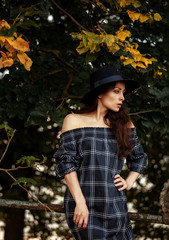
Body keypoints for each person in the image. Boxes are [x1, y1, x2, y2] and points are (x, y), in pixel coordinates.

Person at [53, 66, 148, 240]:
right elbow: (65, 163)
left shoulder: (124, 124)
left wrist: (128, 182)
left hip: (116, 204)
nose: (122, 97)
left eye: (123, 93)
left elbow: (139, 158)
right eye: (117, 91)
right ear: (99, 93)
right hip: (84, 205)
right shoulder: (74, 120)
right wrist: (80, 202)